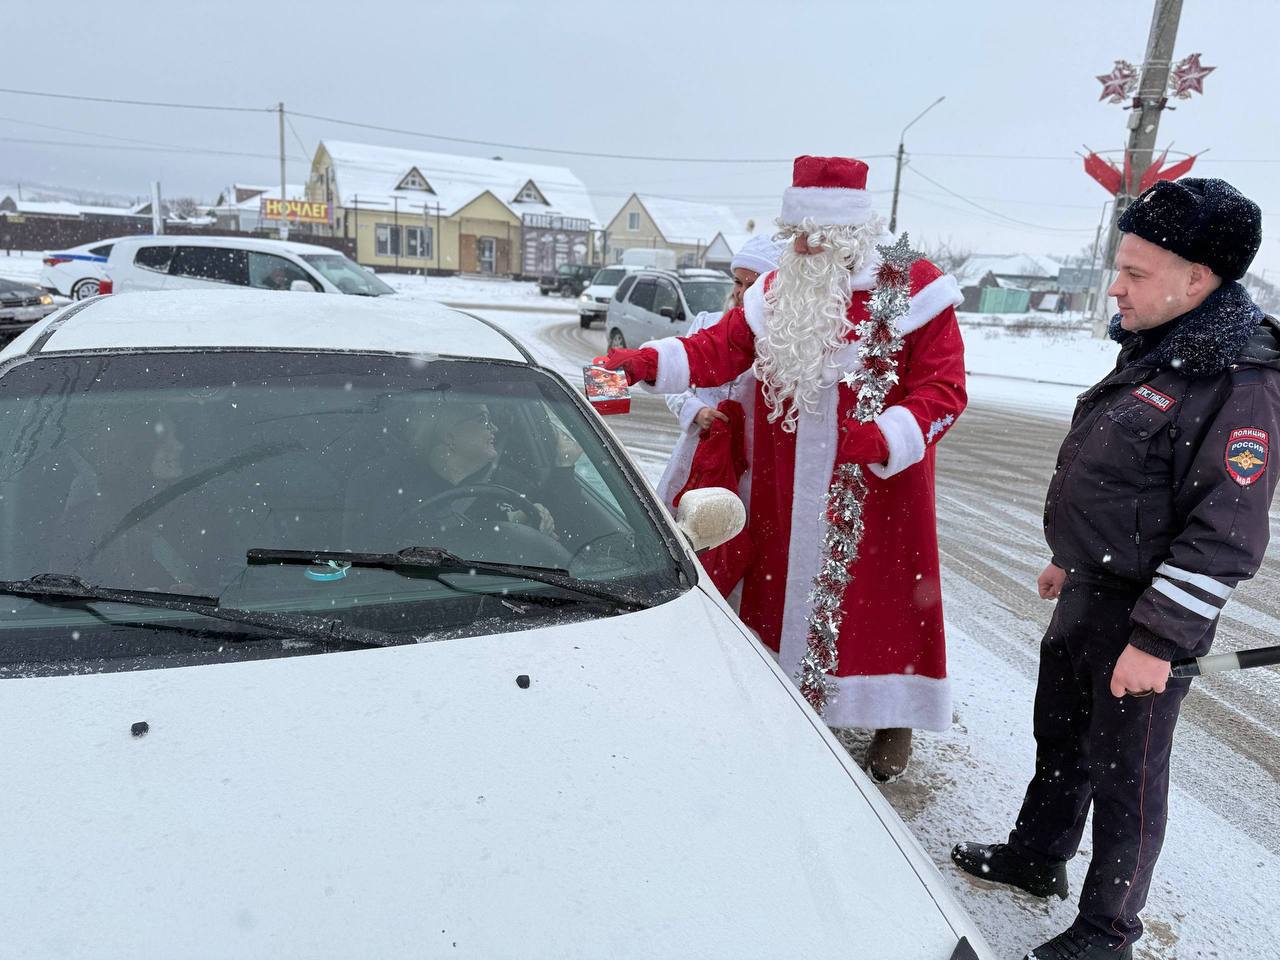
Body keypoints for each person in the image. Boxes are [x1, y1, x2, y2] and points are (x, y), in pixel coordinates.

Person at [952, 178, 1280, 960]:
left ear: (1197, 278)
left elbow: (1223, 534)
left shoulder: (1240, 380)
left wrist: (1159, 641)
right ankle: (1038, 857)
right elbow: (1122, 476)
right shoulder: (1158, 348)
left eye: (1135, 272)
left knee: (1128, 778)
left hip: (1146, 615)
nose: (1117, 286)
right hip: (1092, 590)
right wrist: (1072, 560)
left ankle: (1107, 933)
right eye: (1119, 266)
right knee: (1061, 738)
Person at [603, 155, 966, 781]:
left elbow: (945, 389)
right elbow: (715, 351)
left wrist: (885, 436)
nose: (797, 246)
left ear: (848, 234)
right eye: (793, 232)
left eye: (811, 235)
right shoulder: (777, 293)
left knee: (881, 602)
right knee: (777, 592)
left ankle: (892, 713)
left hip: (875, 492)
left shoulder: (915, 289)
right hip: (784, 486)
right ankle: (786, 700)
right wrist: (640, 364)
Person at [656, 235, 785, 600]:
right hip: (696, 459)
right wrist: (696, 411)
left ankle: (726, 612)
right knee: (682, 533)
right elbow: (676, 384)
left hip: (748, 470)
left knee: (734, 542)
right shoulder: (707, 324)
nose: (743, 293)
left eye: (753, 285)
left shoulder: (781, 344)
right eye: (738, 283)